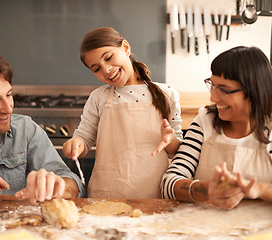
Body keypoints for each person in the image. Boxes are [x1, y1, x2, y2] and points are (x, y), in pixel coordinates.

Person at [62, 27, 183, 198]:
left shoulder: (167, 94)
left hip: (154, 196)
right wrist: (75, 144)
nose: (106, 70)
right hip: (106, 195)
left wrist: (170, 140)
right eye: (96, 68)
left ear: (125, 48)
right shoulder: (98, 97)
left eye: (109, 58)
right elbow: (84, 138)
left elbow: (177, 151)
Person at [0, 49, 84, 205]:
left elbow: (73, 183)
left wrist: (59, 187)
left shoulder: (26, 130)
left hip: (17, 227)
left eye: (9, 95)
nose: (8, 108)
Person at [161, 46, 272, 209]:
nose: (213, 97)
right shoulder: (205, 121)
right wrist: (206, 191)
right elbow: (168, 183)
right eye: (212, 85)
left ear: (254, 91)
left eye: (224, 90)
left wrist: (260, 189)